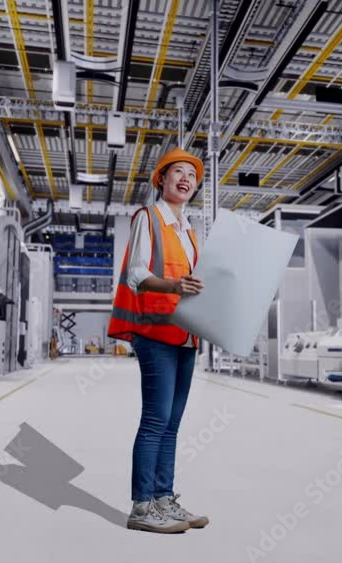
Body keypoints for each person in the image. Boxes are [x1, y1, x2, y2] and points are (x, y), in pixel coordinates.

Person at [108, 147, 209, 534]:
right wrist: (172, 284)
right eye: (178, 172)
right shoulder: (147, 218)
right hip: (155, 331)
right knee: (155, 420)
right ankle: (141, 506)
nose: (186, 179)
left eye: (192, 175)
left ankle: (164, 499)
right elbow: (136, 271)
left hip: (186, 334)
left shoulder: (188, 231)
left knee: (172, 423)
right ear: (162, 180)